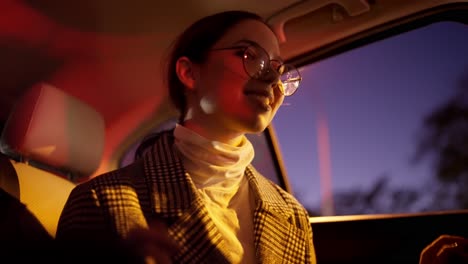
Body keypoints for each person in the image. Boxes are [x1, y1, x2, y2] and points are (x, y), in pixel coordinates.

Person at [55, 10, 315, 263]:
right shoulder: (99, 202)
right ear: (189, 73)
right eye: (249, 55)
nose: (272, 79)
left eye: (277, 67)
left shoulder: (292, 214)